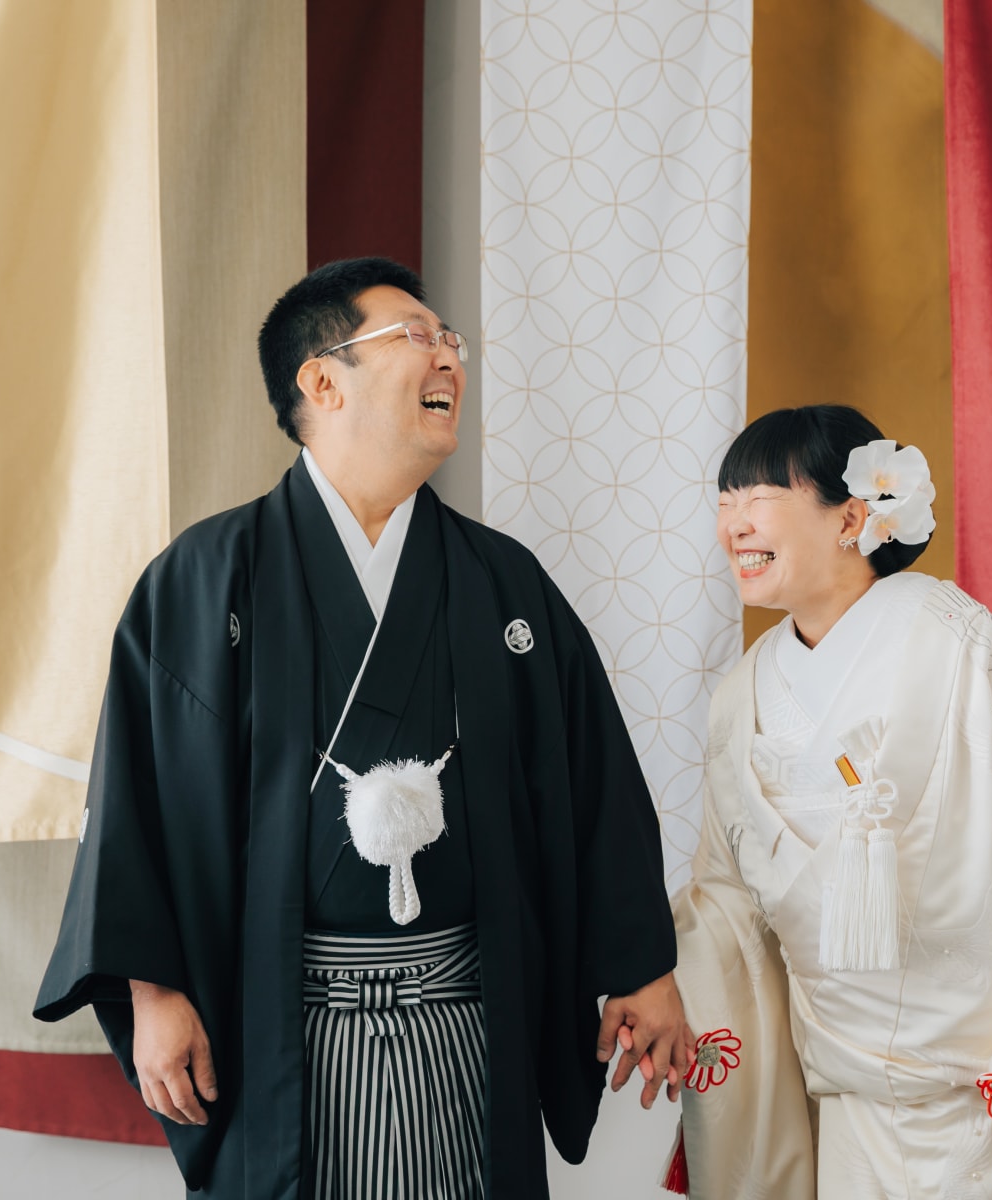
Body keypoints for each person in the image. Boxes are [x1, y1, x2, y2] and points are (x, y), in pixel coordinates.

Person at [35, 258, 686, 1200]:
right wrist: (153, 988)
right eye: (417, 336)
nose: (449, 357)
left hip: (466, 1015)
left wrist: (641, 966)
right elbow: (138, 798)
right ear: (321, 381)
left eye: (451, 340)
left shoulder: (502, 581)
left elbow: (591, 781)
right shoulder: (205, 577)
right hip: (280, 1023)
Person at [667, 406, 992, 1198]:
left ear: (851, 518)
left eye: (760, 497)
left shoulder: (957, 640)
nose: (734, 524)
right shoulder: (739, 699)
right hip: (853, 1113)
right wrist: (651, 982)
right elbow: (726, 907)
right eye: (725, 502)